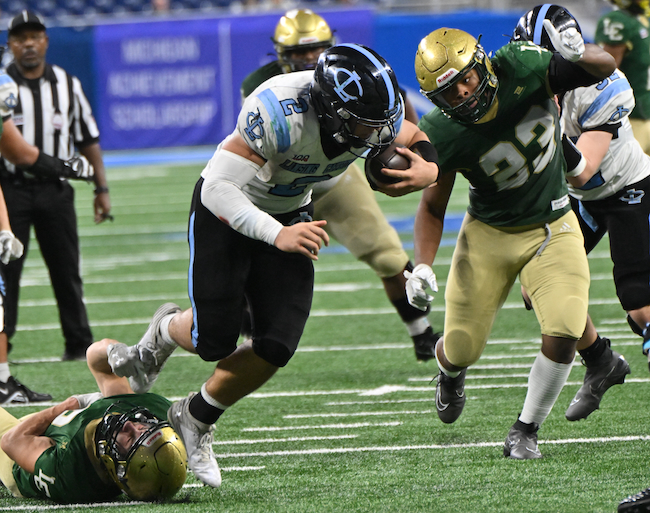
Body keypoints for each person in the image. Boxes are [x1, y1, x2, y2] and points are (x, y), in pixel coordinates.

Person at [106, 43, 440, 486]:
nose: (377, 134)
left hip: (289, 210)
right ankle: (164, 331)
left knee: (277, 344)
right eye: (363, 123)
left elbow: (412, 136)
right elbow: (217, 188)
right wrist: (277, 233)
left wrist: (429, 170)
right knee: (215, 342)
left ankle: (195, 418)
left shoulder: (373, 113)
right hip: (228, 210)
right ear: (331, 109)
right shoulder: (279, 109)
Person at [407, 19, 616, 459]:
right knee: (462, 347)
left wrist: (578, 52)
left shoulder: (522, 65)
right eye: (449, 91)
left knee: (564, 325)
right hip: (488, 234)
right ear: (434, 99)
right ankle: (450, 372)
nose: (462, 93)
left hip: (553, 223)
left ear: (481, 64)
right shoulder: (443, 132)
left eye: (464, 79)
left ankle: (526, 428)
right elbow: (431, 206)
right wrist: (422, 263)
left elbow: (603, 66)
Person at [239, 9, 439, 361]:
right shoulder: (263, 86)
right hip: (280, 190)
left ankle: (421, 333)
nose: (308, 59)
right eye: (299, 54)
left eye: (315, 50)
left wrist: (411, 154)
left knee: (388, 253)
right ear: (281, 55)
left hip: (335, 179)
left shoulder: (347, 73)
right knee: (247, 270)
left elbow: (399, 105)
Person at [512, 5, 641, 422]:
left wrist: (545, 119)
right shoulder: (527, 86)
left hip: (628, 189)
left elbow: (585, 172)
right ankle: (601, 360)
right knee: (539, 285)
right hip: (578, 199)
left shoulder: (603, 85)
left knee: (641, 307)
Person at [0, 10, 111, 362]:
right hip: (12, 188)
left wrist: (101, 188)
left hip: (56, 191)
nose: (28, 44)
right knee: (6, 270)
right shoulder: (4, 85)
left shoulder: (67, 83)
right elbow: (17, 153)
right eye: (20, 38)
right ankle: (4, 346)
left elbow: (88, 138)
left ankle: (78, 344)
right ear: (10, 45)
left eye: (34, 36)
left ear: (46, 40)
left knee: (66, 269)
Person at [0, 48, 95, 403]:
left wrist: (4, 226)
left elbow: (16, 154)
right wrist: (69, 168)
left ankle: (2, 380)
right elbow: (21, 155)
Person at [0, 337, 188, 503]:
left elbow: (11, 441)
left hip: (17, 458)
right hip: (57, 429)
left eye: (130, 438)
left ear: (119, 468)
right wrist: (115, 351)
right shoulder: (151, 411)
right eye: (144, 427)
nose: (130, 424)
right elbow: (97, 360)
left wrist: (66, 406)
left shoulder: (71, 473)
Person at [595, 0, 650, 154]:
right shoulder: (619, 21)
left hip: (646, 111)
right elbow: (606, 73)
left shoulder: (641, 21)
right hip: (628, 118)